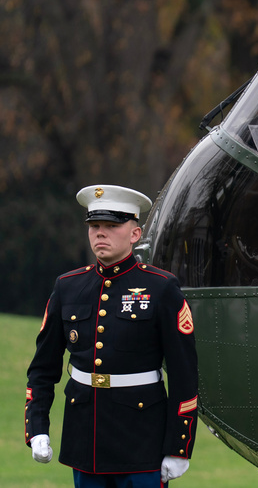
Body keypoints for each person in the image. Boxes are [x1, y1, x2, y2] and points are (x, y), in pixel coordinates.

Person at [25, 185, 199, 487]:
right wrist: (37, 427)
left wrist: (179, 447)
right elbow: (43, 369)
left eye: (111, 225)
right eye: (94, 226)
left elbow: (185, 375)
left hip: (142, 441)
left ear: (135, 234)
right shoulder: (68, 287)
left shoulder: (161, 288)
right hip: (85, 440)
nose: (100, 233)